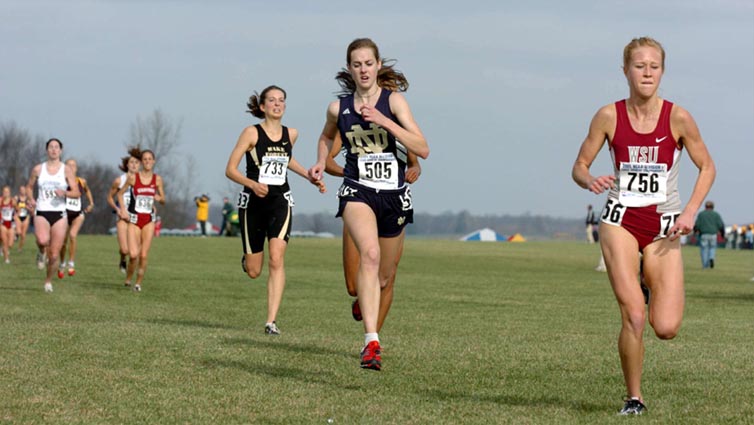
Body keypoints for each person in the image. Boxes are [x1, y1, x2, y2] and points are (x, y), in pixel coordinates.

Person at [571, 37, 715, 415]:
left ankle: (648, 282)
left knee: (665, 327)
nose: (647, 72)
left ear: (662, 71)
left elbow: (708, 167)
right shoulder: (608, 116)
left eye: (654, 66)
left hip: (665, 226)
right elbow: (579, 166)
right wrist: (590, 180)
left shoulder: (678, 117)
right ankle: (634, 399)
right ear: (626, 71)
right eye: (639, 66)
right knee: (633, 315)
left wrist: (690, 212)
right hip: (619, 219)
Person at [309, 38, 430, 371]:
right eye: (357, 64)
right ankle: (371, 343)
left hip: (393, 196)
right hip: (357, 190)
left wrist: (385, 120)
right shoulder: (339, 108)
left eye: (368, 63)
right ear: (350, 69)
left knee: (384, 277)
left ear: (378, 66)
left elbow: (422, 146)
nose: (363, 69)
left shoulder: (395, 102)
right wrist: (321, 161)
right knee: (370, 256)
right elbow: (324, 137)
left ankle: (369, 303)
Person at [225, 85, 326, 336]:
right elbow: (231, 169)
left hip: (280, 201)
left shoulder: (291, 134)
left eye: (281, 100)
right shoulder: (251, 133)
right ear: (262, 106)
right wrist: (252, 184)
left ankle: (271, 321)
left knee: (277, 258)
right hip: (253, 204)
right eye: (272, 100)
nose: (277, 104)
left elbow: (286, 159)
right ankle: (248, 258)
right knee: (254, 271)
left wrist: (309, 176)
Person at [325, 130, 422, 332]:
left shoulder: (401, 125)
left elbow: (415, 161)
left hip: (394, 203)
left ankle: (372, 341)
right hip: (359, 201)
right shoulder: (349, 120)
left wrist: (415, 169)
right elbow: (326, 160)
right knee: (353, 286)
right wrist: (347, 172)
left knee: (386, 278)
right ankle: (364, 298)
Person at [26, 138, 81, 292]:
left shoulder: (66, 170)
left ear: (60, 151)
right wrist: (31, 199)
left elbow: (76, 193)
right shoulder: (38, 169)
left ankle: (48, 281)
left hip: (59, 213)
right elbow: (29, 187)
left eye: (57, 147)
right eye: (51, 147)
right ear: (47, 150)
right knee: (43, 240)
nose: (54, 150)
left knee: (55, 255)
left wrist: (65, 192)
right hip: (42, 210)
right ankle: (41, 252)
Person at [117, 148, 165, 292]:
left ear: (154, 161)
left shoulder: (157, 179)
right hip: (134, 220)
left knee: (143, 255)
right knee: (133, 255)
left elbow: (163, 199)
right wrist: (123, 210)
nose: (147, 161)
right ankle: (128, 278)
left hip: (149, 220)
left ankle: (138, 284)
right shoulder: (133, 178)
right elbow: (120, 194)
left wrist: (159, 198)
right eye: (145, 159)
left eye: (150, 159)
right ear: (141, 162)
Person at [57, 159, 94, 278]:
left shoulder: (81, 181)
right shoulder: (61, 181)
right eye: (69, 165)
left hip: (78, 214)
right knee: (63, 243)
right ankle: (62, 263)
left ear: (76, 168)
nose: (71, 167)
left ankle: (71, 263)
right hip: (64, 214)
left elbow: (88, 191)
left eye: (74, 165)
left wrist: (91, 203)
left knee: (73, 235)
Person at [107, 149, 141, 273]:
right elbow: (110, 197)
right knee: (125, 250)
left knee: (135, 250)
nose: (134, 165)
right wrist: (117, 209)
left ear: (140, 165)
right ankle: (122, 258)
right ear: (127, 165)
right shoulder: (119, 180)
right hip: (122, 217)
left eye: (137, 163)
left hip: (137, 218)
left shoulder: (143, 180)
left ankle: (132, 272)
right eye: (132, 162)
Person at [693, 200, 724, 269]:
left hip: (703, 234)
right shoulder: (716, 214)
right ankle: (711, 257)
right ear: (713, 207)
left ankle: (705, 265)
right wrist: (722, 233)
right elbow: (720, 225)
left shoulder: (701, 214)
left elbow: (697, 225)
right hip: (713, 234)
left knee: (704, 249)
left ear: (705, 206)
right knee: (712, 248)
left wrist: (695, 232)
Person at [13, 185, 32, 252]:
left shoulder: (28, 199)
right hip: (18, 217)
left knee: (23, 235)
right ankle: (15, 235)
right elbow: (13, 205)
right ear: (19, 191)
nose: (22, 191)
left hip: (25, 217)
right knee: (18, 231)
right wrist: (17, 207)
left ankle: (20, 248)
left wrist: (28, 208)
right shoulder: (16, 198)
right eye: (21, 190)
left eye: (23, 190)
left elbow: (31, 209)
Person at [1, 186, 16, 264]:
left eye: (7, 191)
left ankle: (3, 249)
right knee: (5, 241)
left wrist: (15, 217)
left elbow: (18, 210)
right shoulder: (0, 200)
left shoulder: (12, 201)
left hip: (11, 223)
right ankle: (6, 259)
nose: (6, 193)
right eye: (4, 191)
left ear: (9, 193)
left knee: (10, 243)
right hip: (3, 223)